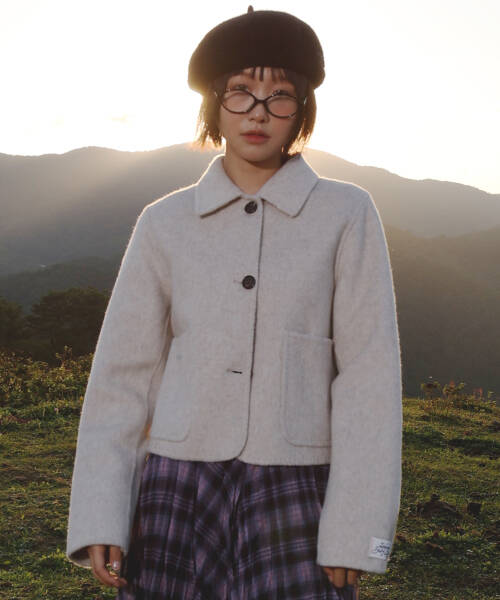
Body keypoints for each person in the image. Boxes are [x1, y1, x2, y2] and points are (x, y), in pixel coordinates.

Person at [66, 6, 403, 600]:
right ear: (213, 103)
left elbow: (367, 378)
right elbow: (122, 376)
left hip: (298, 486)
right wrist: (101, 513)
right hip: (175, 485)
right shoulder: (163, 222)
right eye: (240, 90)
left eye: (281, 95)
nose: (259, 111)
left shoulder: (346, 213)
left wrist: (356, 528)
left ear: (303, 108)